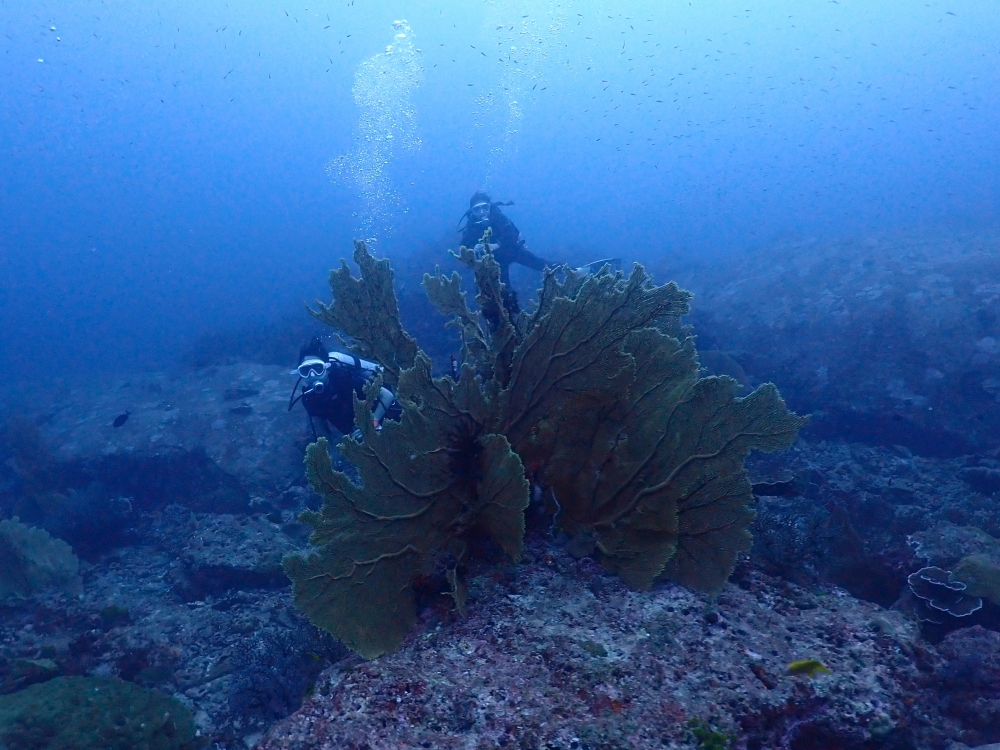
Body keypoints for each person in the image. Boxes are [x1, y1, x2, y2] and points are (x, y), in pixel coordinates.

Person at [458, 191, 553, 317]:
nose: (481, 212)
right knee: (499, 293)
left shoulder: (499, 218)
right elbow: (464, 246)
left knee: (541, 264)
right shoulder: (471, 226)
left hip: (512, 252)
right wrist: (473, 249)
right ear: (472, 211)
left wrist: (496, 245)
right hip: (495, 262)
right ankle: (509, 321)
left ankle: (575, 271)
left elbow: (513, 235)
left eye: (485, 207)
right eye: (477, 209)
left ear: (490, 207)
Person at [288, 337, 400, 441]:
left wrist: (372, 424)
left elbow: (387, 396)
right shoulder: (309, 399)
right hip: (358, 436)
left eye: (318, 368)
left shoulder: (344, 379)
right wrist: (331, 448)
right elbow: (319, 419)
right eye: (305, 371)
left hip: (389, 420)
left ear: (327, 368)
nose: (312, 375)